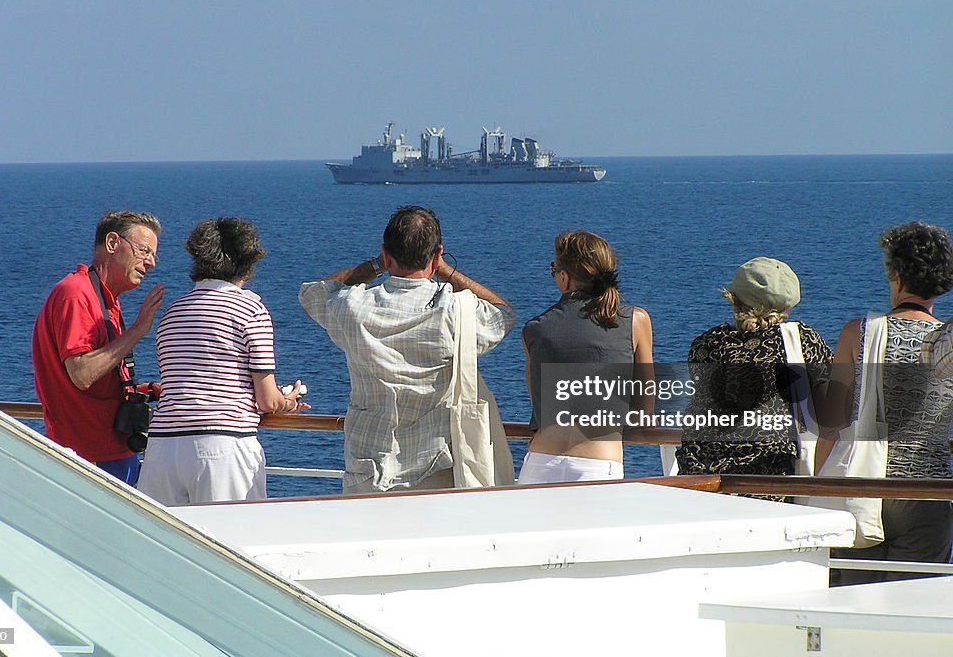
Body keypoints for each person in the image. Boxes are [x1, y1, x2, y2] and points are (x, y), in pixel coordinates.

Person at [298, 205, 516, 494]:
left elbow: (312, 294)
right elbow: (503, 314)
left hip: (368, 468)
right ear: (437, 255)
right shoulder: (453, 312)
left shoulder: (352, 307)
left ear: (387, 255)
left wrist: (375, 265)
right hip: (436, 469)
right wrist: (446, 271)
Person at [138, 218, 308, 506]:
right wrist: (287, 402)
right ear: (248, 261)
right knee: (231, 539)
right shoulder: (251, 309)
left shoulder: (172, 313)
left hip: (162, 447)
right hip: (221, 446)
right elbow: (267, 401)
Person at [818, 221, 953, 585]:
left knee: (852, 599)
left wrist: (820, 483)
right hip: (927, 494)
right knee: (911, 607)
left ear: (896, 276)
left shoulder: (856, 333)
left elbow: (830, 423)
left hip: (862, 487)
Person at [676, 257, 832, 497]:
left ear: (734, 298)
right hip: (766, 480)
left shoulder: (706, 344)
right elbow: (830, 414)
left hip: (700, 477)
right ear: (787, 305)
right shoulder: (802, 341)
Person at [31, 211, 165, 486]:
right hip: (90, 458)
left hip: (108, 452)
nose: (150, 263)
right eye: (144, 251)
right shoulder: (76, 294)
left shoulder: (103, 299)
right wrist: (138, 330)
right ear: (113, 242)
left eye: (153, 255)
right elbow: (82, 373)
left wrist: (149, 390)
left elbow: (99, 381)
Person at [519, 230, 654, 484]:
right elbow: (645, 413)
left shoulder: (534, 329)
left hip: (541, 461)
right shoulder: (635, 320)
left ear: (564, 277)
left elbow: (540, 407)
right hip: (598, 463)